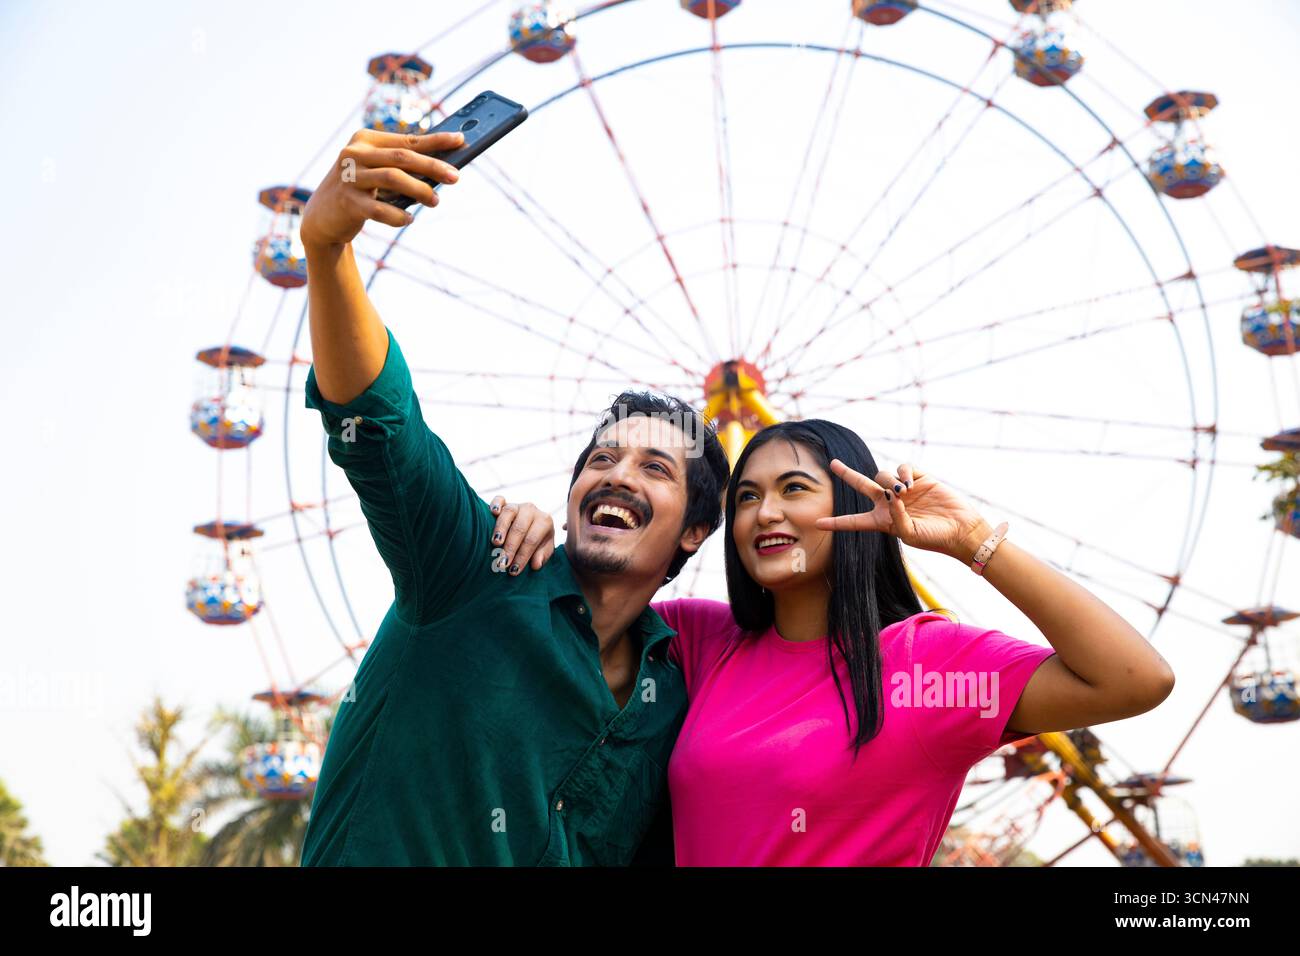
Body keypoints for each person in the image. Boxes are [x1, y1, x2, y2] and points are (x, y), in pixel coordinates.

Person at [296, 126, 730, 866]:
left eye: (656, 469)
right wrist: (328, 252)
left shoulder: (674, 703)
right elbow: (380, 423)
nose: (619, 475)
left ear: (694, 532)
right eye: (601, 458)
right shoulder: (470, 568)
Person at [499, 419, 1176, 865]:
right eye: (746, 498)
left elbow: (1134, 678)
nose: (767, 513)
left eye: (795, 489)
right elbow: (584, 610)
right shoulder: (702, 640)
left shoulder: (927, 665)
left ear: (852, 505)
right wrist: (523, 530)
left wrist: (976, 543)